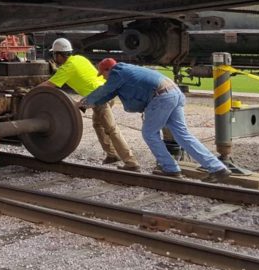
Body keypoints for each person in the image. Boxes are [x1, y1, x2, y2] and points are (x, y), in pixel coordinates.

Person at [83, 58, 230, 182]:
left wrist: (82, 103)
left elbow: (104, 90)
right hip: (174, 92)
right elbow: (108, 94)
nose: (103, 77)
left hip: (162, 97)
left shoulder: (117, 72)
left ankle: (170, 168)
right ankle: (217, 169)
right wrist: (88, 103)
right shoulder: (127, 71)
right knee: (183, 135)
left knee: (149, 133)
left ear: (108, 69)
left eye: (103, 74)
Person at [45, 39, 140, 171]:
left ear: (59, 55)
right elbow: (75, 72)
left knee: (112, 129)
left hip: (99, 98)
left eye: (55, 55)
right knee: (98, 124)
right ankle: (112, 155)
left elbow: (48, 85)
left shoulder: (66, 68)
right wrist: (56, 69)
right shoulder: (79, 59)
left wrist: (31, 92)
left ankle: (131, 162)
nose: (54, 58)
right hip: (105, 93)